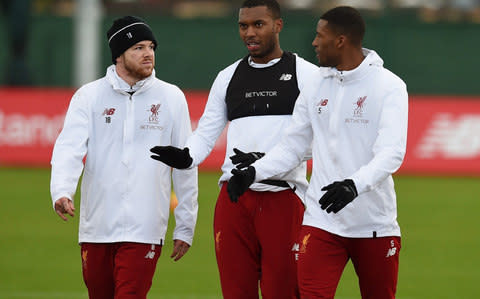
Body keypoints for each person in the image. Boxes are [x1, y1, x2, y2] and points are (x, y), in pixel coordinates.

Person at [228, 6, 408, 299]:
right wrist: (253, 172)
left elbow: (391, 153)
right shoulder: (315, 85)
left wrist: (354, 185)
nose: (313, 42)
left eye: (319, 36)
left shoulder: (389, 86)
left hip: (375, 224)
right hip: (321, 220)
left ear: (340, 41)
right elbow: (292, 147)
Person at [149, 1, 318, 298]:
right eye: (243, 26)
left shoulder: (307, 74)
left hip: (283, 198)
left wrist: (264, 161)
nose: (250, 33)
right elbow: (205, 134)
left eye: (258, 25)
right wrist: (186, 156)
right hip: (234, 200)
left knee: (283, 292)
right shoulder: (228, 77)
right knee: (235, 292)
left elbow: (317, 140)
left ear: (278, 26)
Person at [50, 16, 198, 299]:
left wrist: (186, 225)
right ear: (119, 55)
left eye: (151, 46)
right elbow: (69, 148)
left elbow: (185, 165)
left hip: (145, 228)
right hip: (96, 228)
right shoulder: (88, 96)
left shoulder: (171, 97)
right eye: (138, 47)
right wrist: (61, 190)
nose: (148, 53)